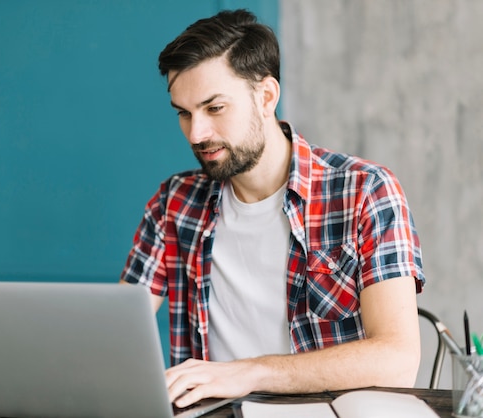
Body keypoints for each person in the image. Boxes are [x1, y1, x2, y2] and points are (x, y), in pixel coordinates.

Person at [119, 9, 425, 409]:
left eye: (214, 109)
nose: (196, 133)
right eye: (184, 113)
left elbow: (398, 361)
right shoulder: (174, 203)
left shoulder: (364, 192)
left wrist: (248, 372)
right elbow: (115, 337)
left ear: (265, 97)